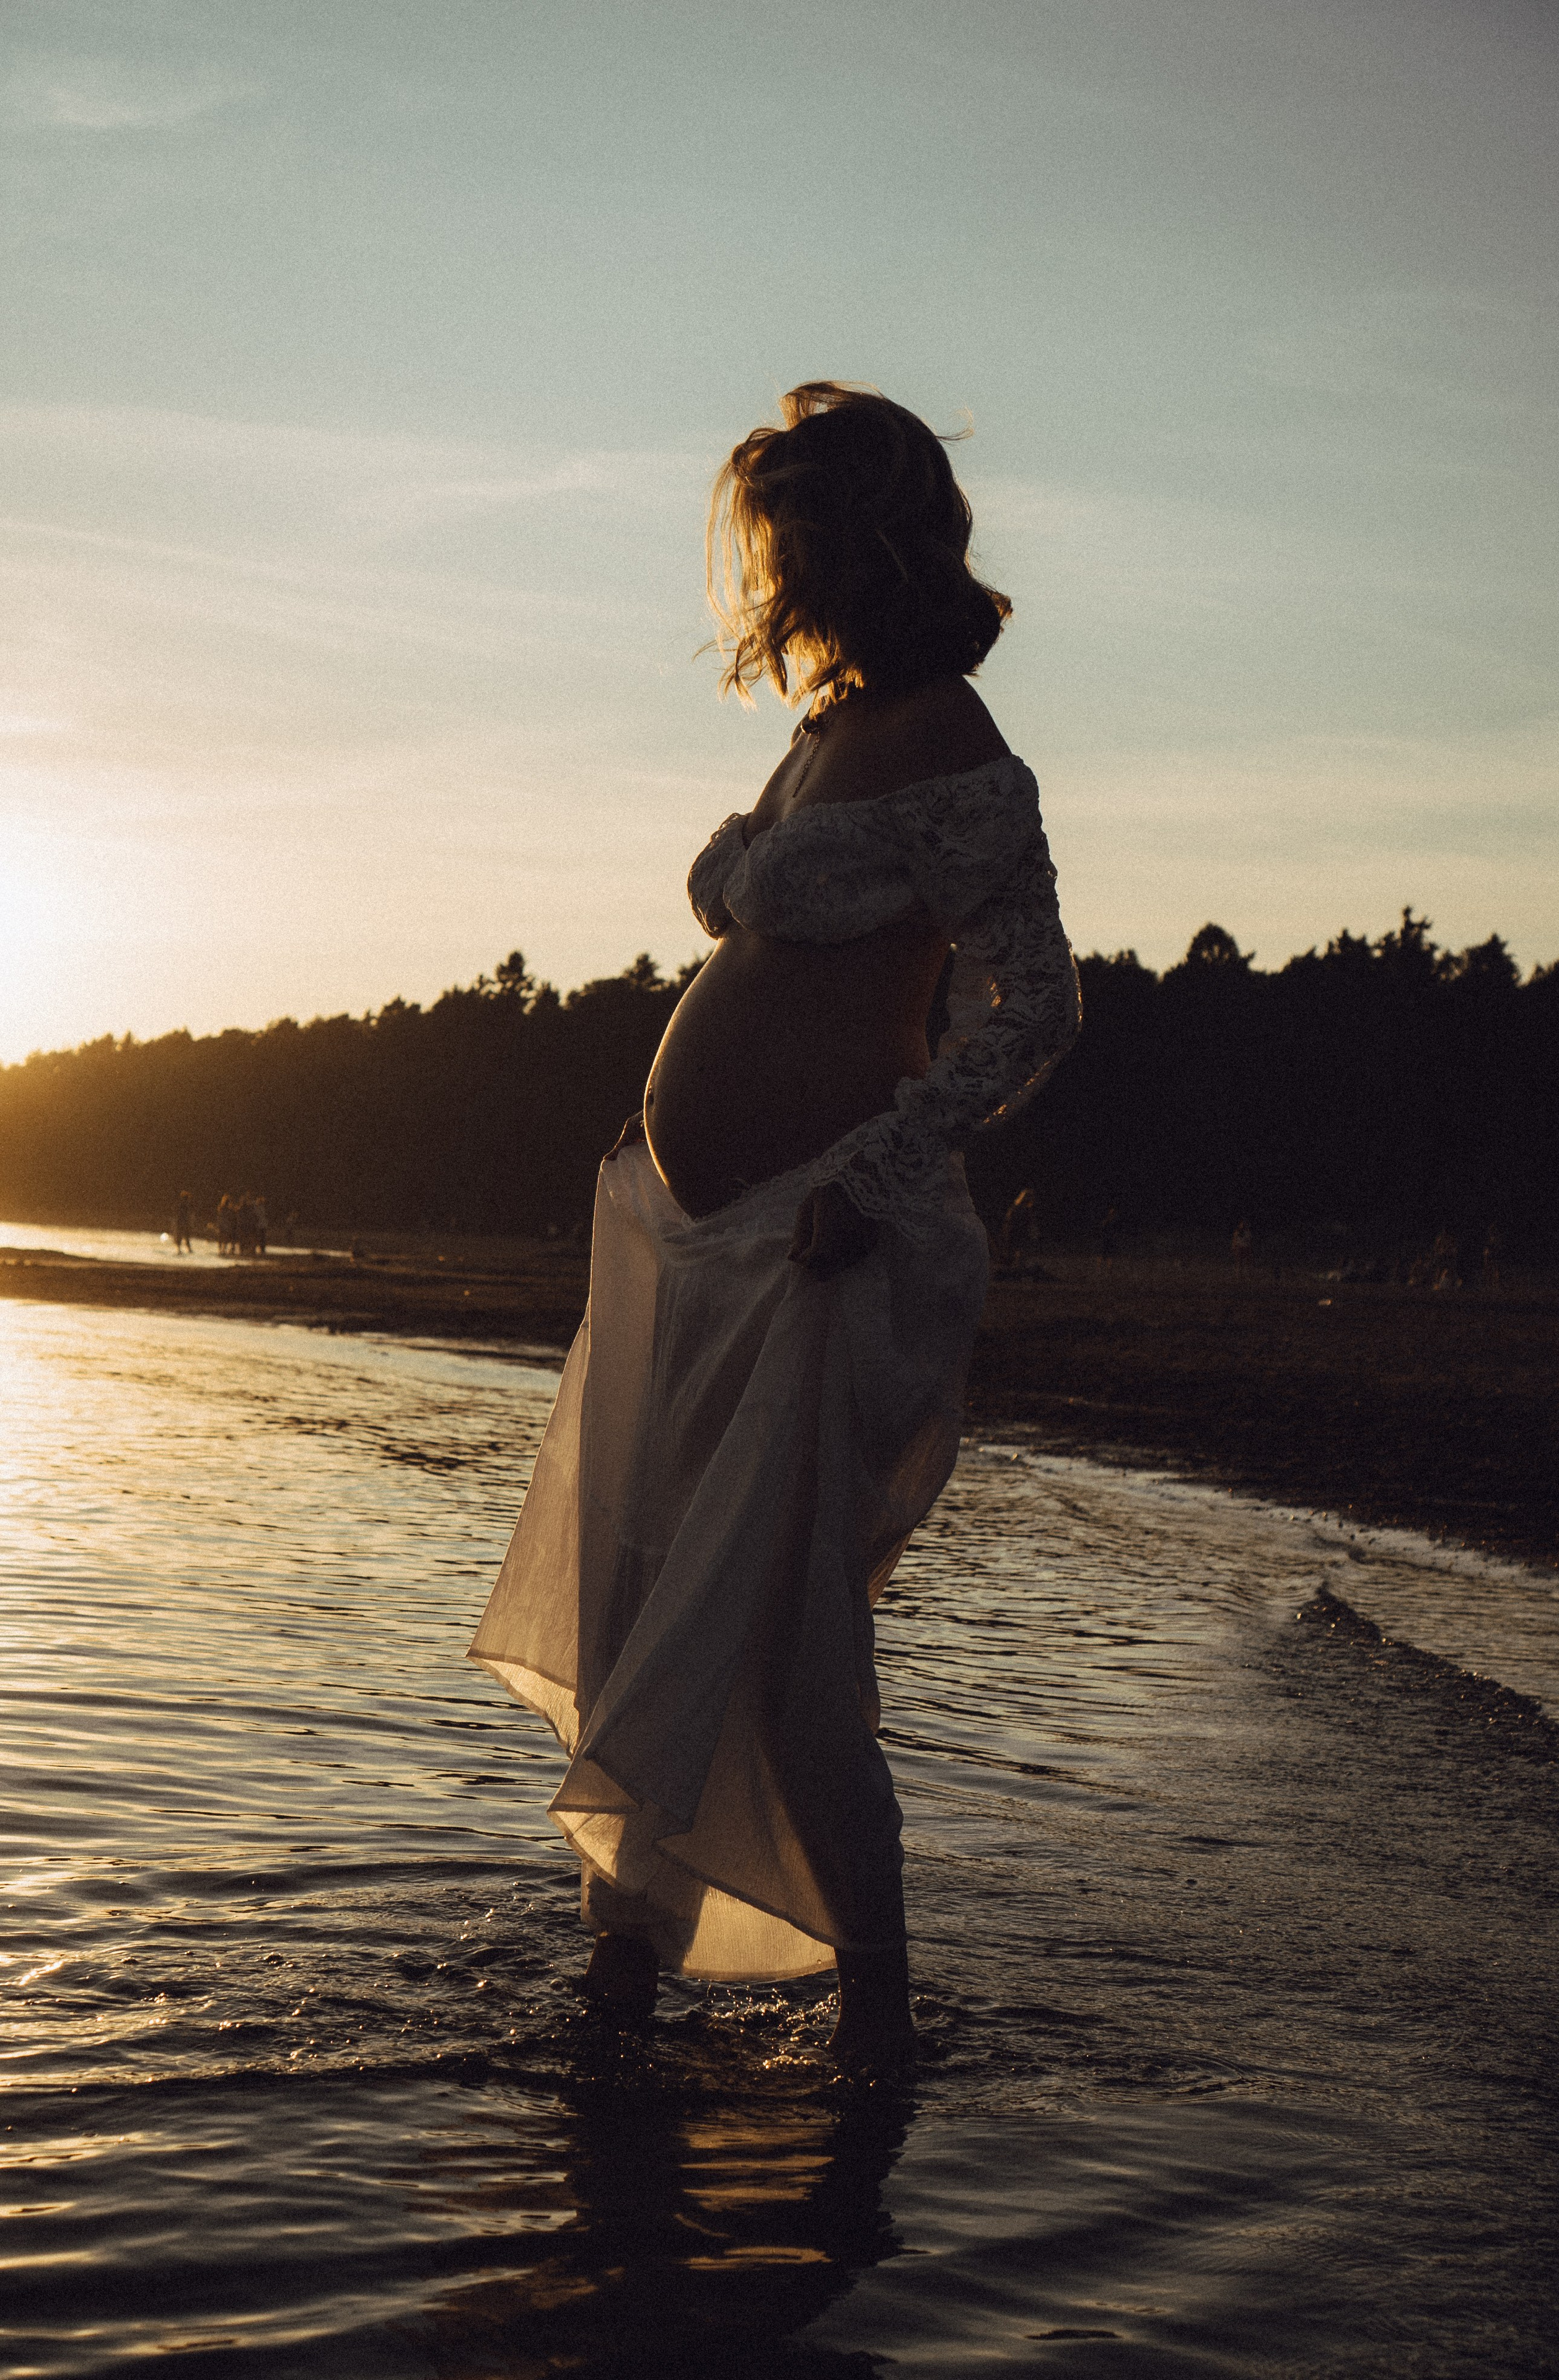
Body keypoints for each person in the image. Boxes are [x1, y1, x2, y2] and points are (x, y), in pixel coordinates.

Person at [468, 382, 1081, 2066]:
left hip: (826, 1243)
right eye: (776, 531)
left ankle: (878, 2019)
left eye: (812, 530)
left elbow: (1034, 1012)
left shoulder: (952, 733)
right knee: (641, 1598)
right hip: (692, 1230)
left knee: (781, 1624)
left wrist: (872, 1177)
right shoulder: (818, 729)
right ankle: (617, 1981)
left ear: (883, 542)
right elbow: (765, 964)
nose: (785, 564)